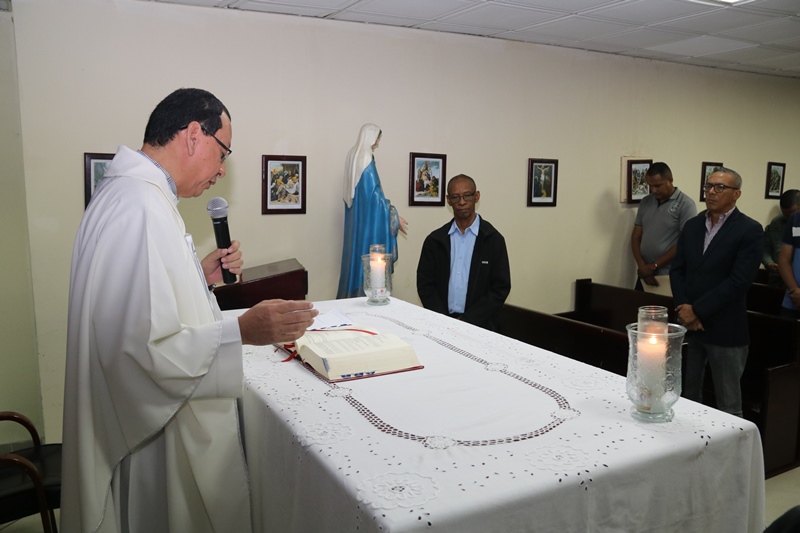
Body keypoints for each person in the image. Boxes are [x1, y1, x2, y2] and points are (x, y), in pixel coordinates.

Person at [62, 88, 317, 533]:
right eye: (223, 154)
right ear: (194, 134)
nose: (221, 171)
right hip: (153, 436)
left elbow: (141, 302)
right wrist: (242, 330)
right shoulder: (141, 206)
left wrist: (200, 274)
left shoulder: (132, 195)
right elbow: (142, 351)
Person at [670, 168, 763, 417]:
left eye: (720, 187)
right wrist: (684, 308)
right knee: (687, 397)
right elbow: (678, 270)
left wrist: (697, 310)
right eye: (708, 186)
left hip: (725, 327)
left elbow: (739, 281)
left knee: (728, 404)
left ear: (736, 194)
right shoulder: (693, 225)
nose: (711, 192)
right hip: (690, 326)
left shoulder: (749, 230)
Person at [416, 174, 511, 331]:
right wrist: (443, 320)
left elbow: (500, 288)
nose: (462, 202)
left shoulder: (493, 240)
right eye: (455, 197)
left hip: (480, 326)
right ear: (448, 200)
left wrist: (468, 321)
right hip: (440, 324)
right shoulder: (435, 240)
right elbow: (425, 285)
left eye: (467, 196)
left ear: (476, 196)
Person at [337, 123, 407, 299]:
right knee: (368, 262)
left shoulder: (352, 154)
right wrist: (393, 215)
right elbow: (374, 197)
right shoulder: (366, 156)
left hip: (357, 221)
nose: (377, 143)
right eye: (377, 139)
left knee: (355, 259)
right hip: (369, 223)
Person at [631, 162, 696, 292]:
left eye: (657, 185)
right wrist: (642, 266)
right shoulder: (646, 201)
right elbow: (636, 236)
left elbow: (684, 243)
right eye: (650, 186)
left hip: (668, 273)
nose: (653, 190)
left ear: (670, 180)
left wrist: (654, 266)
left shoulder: (686, 204)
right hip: (645, 272)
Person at [764, 189, 800, 288]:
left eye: (793, 215)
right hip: (777, 280)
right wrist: (769, 262)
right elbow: (765, 248)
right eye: (786, 215)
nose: (790, 219)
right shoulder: (776, 223)